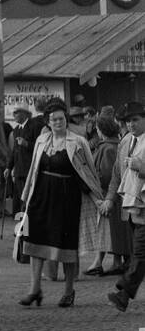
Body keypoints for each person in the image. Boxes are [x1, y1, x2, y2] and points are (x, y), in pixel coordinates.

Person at [18, 99, 103, 309]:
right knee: (35, 241)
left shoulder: (78, 142)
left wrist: (97, 198)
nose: (57, 122)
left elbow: (87, 173)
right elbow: (33, 171)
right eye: (53, 119)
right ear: (48, 122)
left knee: (67, 246)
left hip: (67, 199)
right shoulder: (41, 141)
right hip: (40, 197)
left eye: (61, 118)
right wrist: (26, 197)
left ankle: (68, 291)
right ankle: (35, 289)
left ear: (66, 120)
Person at [106, 101, 145, 312]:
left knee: (140, 252)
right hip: (131, 206)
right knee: (138, 252)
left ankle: (123, 293)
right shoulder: (126, 141)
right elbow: (116, 173)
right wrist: (111, 199)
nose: (131, 124)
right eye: (128, 121)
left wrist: (142, 167)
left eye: (135, 120)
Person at [84, 115, 128, 277]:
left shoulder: (107, 148)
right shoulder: (114, 145)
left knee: (110, 231)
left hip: (107, 195)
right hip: (112, 196)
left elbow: (109, 175)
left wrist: (93, 178)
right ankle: (107, 262)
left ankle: (110, 263)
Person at [7, 107, 33, 212]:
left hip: (28, 167)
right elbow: (14, 150)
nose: (14, 115)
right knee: (19, 196)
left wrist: (27, 144)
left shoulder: (33, 126)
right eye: (13, 113)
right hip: (19, 168)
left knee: (27, 196)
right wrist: (9, 167)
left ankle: (26, 218)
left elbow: (38, 145)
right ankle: (22, 220)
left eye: (16, 113)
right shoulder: (16, 129)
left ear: (24, 113)